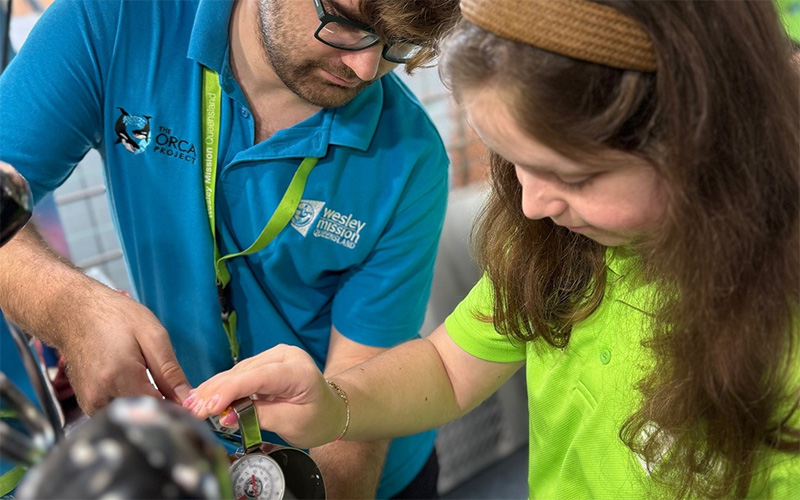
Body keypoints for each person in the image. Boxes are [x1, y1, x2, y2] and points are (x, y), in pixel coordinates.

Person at [185, 0, 800, 498]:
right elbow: (450, 371)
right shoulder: (560, 245)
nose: (533, 205)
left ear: (703, 139)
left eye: (574, 176)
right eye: (515, 163)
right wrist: (333, 406)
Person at [0, 0, 461, 497]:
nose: (366, 68)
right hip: (200, 457)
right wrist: (69, 308)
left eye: (399, 43)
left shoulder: (409, 160)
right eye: (347, 24)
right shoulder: (113, 20)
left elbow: (356, 413)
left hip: (355, 467)